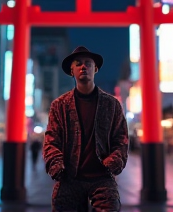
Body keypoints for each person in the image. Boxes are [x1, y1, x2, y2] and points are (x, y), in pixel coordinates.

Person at [43, 46, 129, 212]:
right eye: (78, 63)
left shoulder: (111, 104)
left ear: (95, 69)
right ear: (71, 70)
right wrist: (57, 166)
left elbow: (121, 139)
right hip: (69, 176)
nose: (83, 67)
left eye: (88, 63)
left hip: (102, 176)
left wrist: (112, 162)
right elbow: (51, 141)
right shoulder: (59, 105)